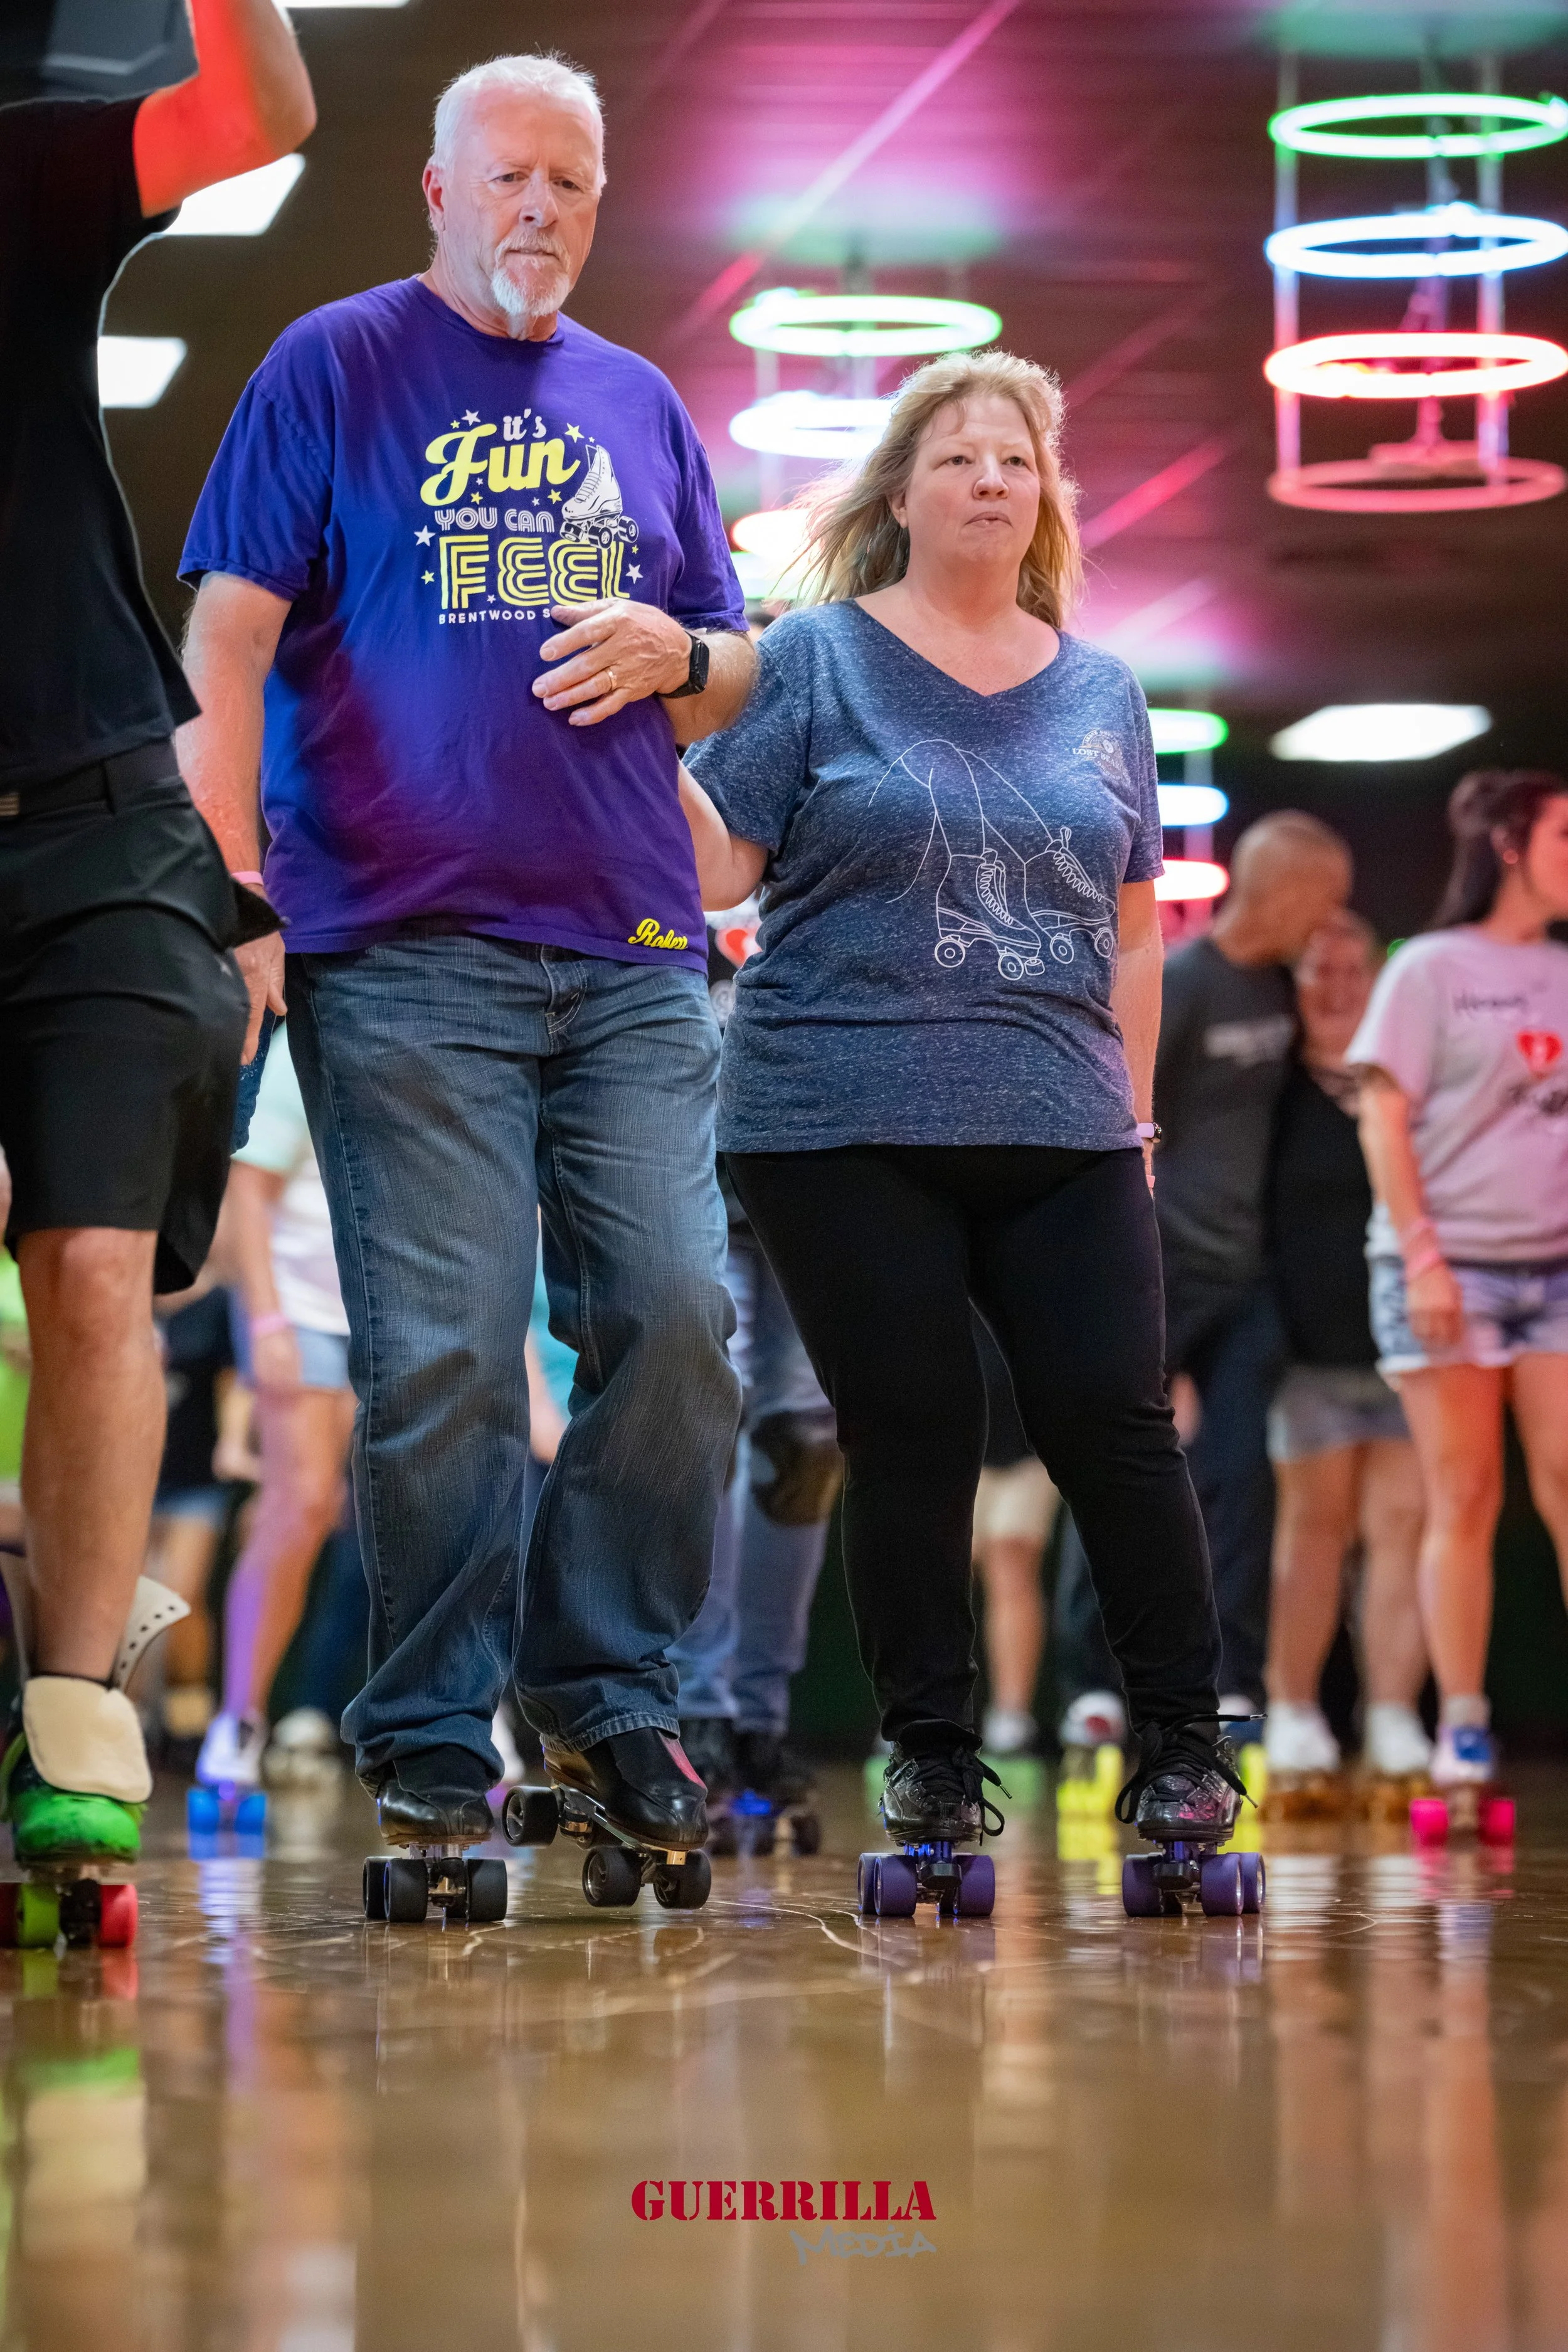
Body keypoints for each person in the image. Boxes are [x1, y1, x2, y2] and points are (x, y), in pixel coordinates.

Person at [176, 53, 751, 1865]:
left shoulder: (642, 402)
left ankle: (606, 1702)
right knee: (436, 1358)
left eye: (570, 183)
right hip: (402, 943)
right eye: (508, 176)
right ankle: (432, 1730)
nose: (538, 210)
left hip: (639, 944)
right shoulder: (332, 366)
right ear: (437, 190)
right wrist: (240, 895)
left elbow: (736, 670)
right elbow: (229, 638)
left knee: (673, 1320)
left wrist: (682, 646)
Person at [677, 347, 1244, 1862]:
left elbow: (1132, 927)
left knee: (1116, 1424)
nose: (990, 478)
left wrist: (1128, 1119)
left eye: (1015, 460)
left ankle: (1184, 1745)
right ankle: (928, 1756)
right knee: (909, 1428)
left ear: (1043, 498)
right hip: (839, 1114)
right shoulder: (814, 659)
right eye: (957, 458)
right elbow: (719, 869)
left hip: (1064, 1123)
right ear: (903, 496)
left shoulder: (1103, 688)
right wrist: (634, 731)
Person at [0, 3, 314, 1878]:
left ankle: (75, 1732)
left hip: (104, 818)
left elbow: (256, 107)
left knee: (96, 1266)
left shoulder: (22, 174)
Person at [1053, 808, 1353, 1737]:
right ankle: (1091, 1684)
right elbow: (1123, 1119)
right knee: (1115, 1459)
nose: (1335, 919)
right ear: (1293, 891)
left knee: (1238, 1479)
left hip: (1245, 1280)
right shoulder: (1182, 984)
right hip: (1161, 1268)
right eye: (1329, 900)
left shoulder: (1280, 993)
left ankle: (1229, 1681)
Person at [1353, 770, 1568, 1798]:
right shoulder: (1429, 968)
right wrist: (1425, 1257)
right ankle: (1466, 1724)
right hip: (1448, 1267)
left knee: (1564, 1476)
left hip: (1557, 1264)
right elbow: (1381, 1119)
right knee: (1465, 1494)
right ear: (1515, 845)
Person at [675, 913, 841, 1819]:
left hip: (815, 1174)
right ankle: (696, 1704)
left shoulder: (829, 795)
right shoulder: (668, 809)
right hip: (694, 1176)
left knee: (805, 1448)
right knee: (706, 1433)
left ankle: (759, 1717)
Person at [1263, 912, 1429, 1797]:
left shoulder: (1411, 1087)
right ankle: (1295, 1717)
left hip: (1407, 1350)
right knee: (1313, 1538)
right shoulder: (1272, 1094)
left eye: (1352, 969)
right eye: (1316, 970)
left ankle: (1394, 1717)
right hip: (1308, 1355)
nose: (1335, 986)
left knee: (1402, 1534)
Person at [195, 1030, 356, 1796]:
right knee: (299, 1504)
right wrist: (264, 1323)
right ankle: (239, 1719)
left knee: (381, 1514)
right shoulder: (304, 1046)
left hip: (390, 1309)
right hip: (299, 1311)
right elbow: (246, 1192)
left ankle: (458, 1719)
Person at [972, 1319, 1058, 1757]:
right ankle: (918, 1714)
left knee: (1012, 1556)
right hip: (951, 1430)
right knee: (935, 1569)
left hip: (1029, 1433)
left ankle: (1011, 1717)